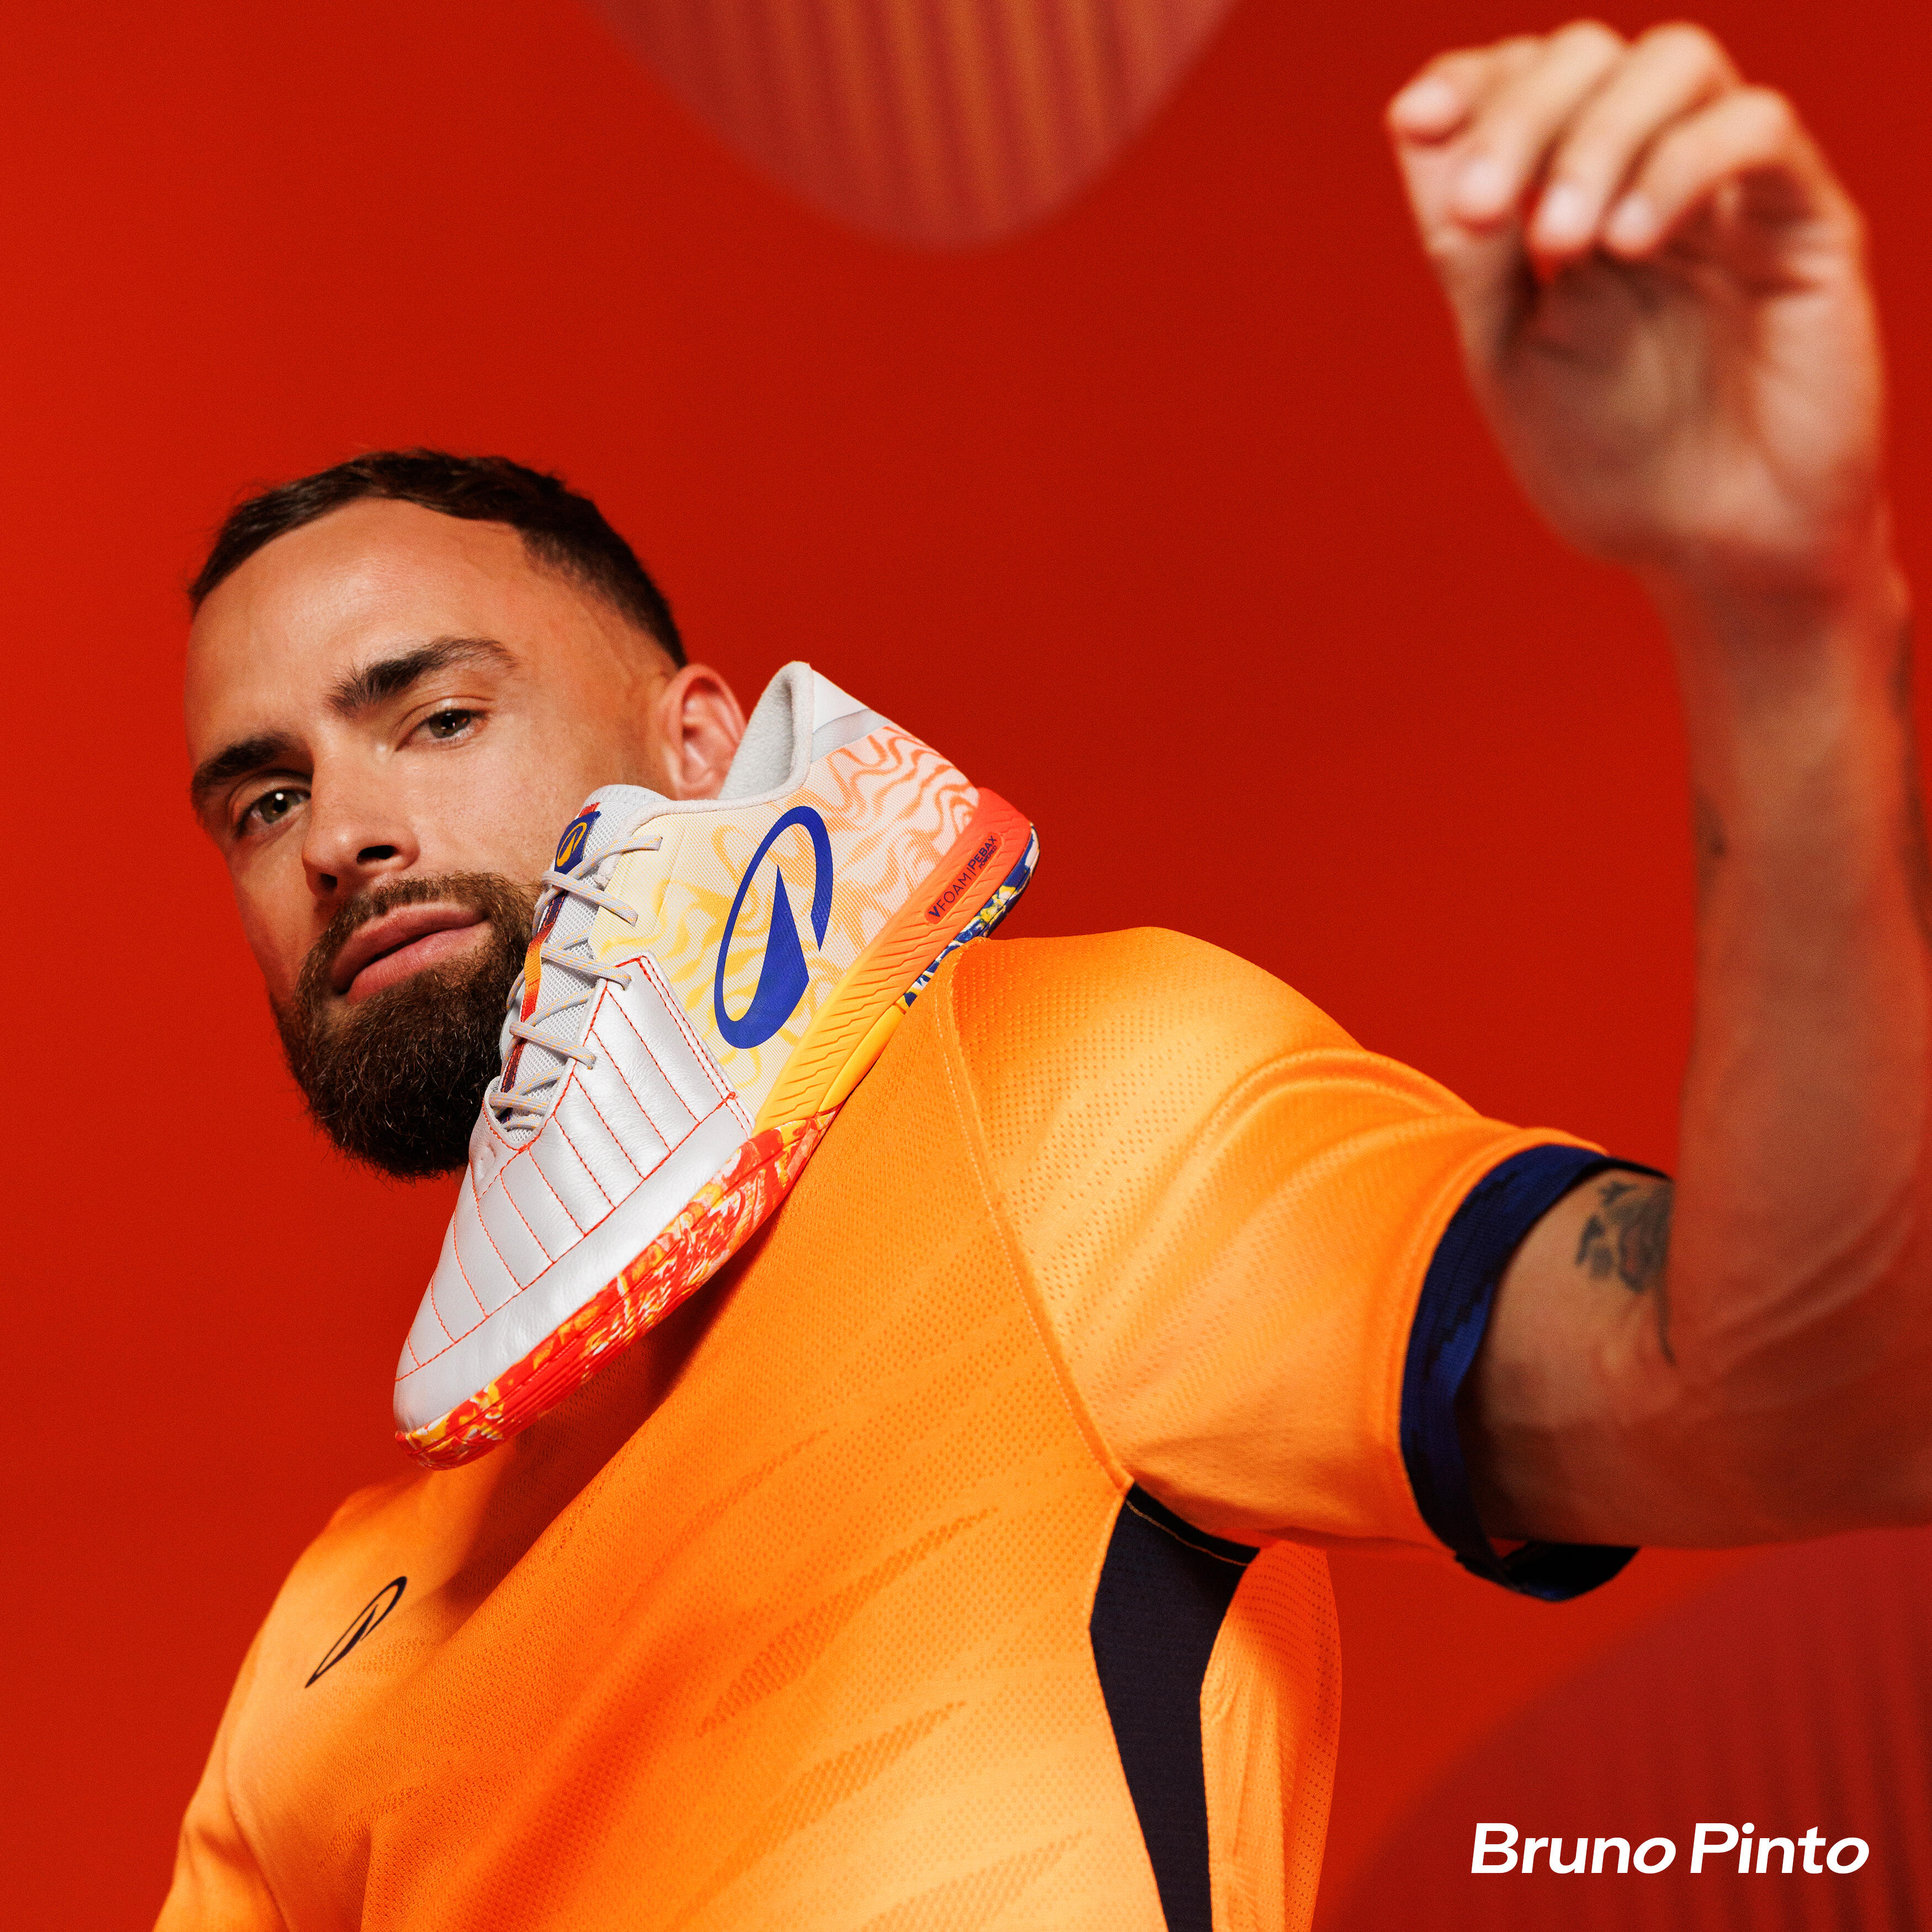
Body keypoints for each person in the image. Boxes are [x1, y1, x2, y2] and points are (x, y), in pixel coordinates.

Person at [159, 21, 1926, 1931]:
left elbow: (1813, 1405)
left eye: (434, 715)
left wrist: (1776, 610)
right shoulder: (322, 1651)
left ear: (701, 743)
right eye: (264, 798)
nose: (338, 833)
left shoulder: (1053, 1110)